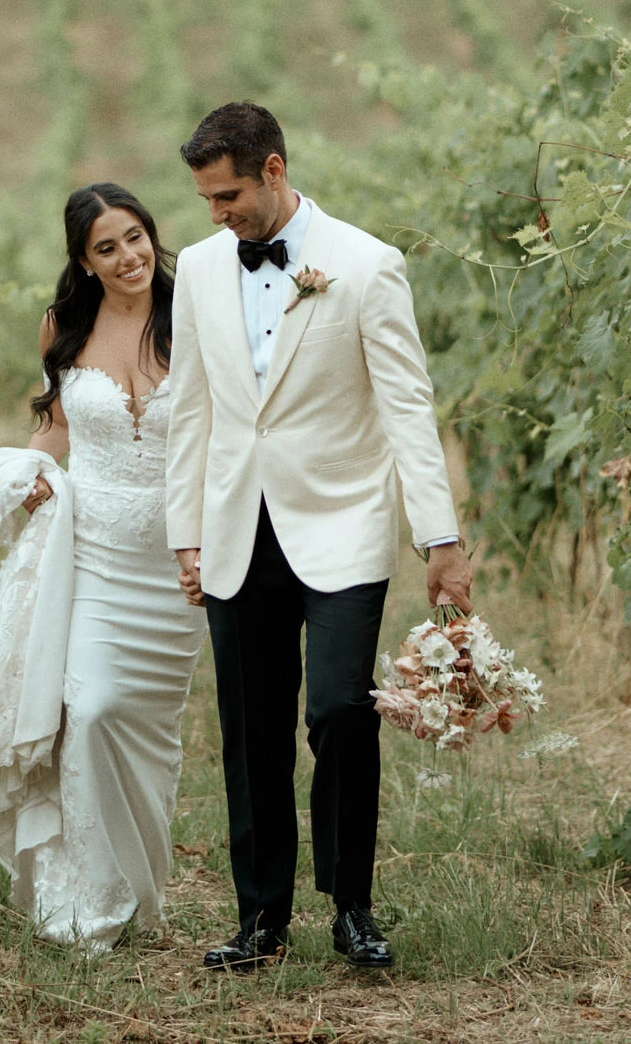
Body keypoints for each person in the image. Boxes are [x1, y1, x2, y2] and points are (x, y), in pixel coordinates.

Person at [164, 101, 473, 973]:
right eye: (204, 200)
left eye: (227, 195)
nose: (215, 214)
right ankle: (260, 918)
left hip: (341, 521)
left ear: (272, 169)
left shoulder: (367, 266)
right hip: (234, 525)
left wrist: (439, 540)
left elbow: (409, 407)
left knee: (339, 708)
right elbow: (191, 407)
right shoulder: (195, 269)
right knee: (251, 728)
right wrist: (183, 531)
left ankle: (351, 905)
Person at [0, 184, 204, 952]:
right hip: (95, 554)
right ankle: (86, 904)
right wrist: (32, 475)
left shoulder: (195, 313)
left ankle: (140, 889)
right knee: (92, 711)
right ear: (84, 260)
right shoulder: (64, 327)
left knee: (147, 735)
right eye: (108, 247)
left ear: (152, 235)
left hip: (178, 564)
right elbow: (58, 426)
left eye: (135, 237)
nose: (129, 256)